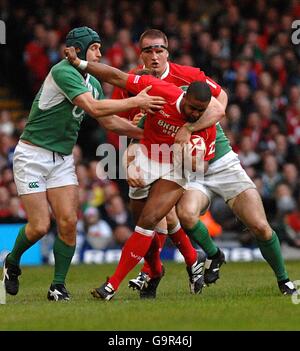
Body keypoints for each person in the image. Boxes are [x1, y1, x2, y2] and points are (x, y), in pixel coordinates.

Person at [124, 29, 296, 296]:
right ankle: (209, 257)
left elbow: (221, 102)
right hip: (185, 167)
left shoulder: (189, 75)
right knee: (182, 215)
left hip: (220, 161)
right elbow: (137, 127)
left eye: (159, 50)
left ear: (167, 52)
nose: (154, 56)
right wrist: (133, 145)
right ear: (141, 53)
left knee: (260, 226)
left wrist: (189, 129)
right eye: (149, 51)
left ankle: (284, 279)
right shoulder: (136, 83)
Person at [2, 26, 166, 302]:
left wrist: (144, 134)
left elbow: (108, 121)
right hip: (32, 155)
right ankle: (12, 262)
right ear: (77, 51)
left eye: (100, 47)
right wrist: (137, 100)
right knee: (40, 226)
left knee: (68, 222)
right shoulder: (63, 72)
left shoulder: (94, 82)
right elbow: (93, 108)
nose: (99, 52)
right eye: (94, 48)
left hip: (63, 158)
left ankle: (57, 286)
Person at [64, 45, 224, 300]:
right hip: (147, 156)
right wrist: (81, 64)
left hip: (177, 168)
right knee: (146, 221)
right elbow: (117, 77)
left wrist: (191, 157)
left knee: (148, 220)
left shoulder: (205, 126)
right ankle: (164, 267)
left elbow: (201, 166)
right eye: (192, 108)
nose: (194, 114)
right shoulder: (162, 92)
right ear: (186, 97)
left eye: (200, 111)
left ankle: (112, 285)